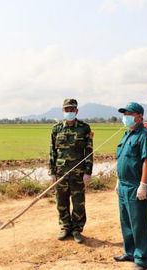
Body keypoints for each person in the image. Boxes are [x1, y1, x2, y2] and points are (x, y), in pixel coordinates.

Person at [114, 102, 147, 270]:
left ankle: (142, 258)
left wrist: (144, 185)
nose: (126, 117)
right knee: (126, 221)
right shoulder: (127, 134)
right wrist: (118, 180)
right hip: (124, 185)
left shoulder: (145, 135)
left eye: (130, 114)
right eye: (125, 114)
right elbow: (122, 159)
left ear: (140, 116)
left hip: (135, 185)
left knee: (139, 222)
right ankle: (130, 252)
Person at [49, 98, 93, 244]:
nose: (69, 112)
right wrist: (52, 172)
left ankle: (77, 230)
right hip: (61, 173)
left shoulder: (84, 128)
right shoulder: (56, 129)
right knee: (61, 202)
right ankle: (65, 227)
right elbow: (52, 153)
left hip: (78, 173)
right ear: (63, 111)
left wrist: (88, 172)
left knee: (78, 202)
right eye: (66, 110)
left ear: (76, 111)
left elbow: (89, 152)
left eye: (72, 110)